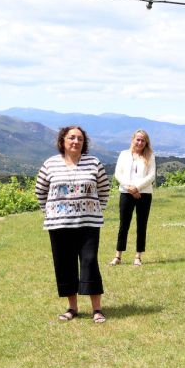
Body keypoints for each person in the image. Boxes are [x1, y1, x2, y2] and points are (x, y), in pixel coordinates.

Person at [34, 126, 110, 323]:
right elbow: (40, 191)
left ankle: (97, 309)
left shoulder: (94, 163)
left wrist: (94, 209)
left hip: (88, 223)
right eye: (71, 138)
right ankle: (72, 308)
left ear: (84, 143)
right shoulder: (49, 164)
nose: (75, 142)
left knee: (90, 261)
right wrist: (52, 212)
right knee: (64, 264)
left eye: (80, 139)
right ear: (63, 141)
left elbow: (104, 189)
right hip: (59, 225)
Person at [109, 129, 156, 267]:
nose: (140, 142)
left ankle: (138, 256)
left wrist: (137, 188)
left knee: (141, 225)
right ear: (133, 139)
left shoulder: (150, 155)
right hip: (125, 192)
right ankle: (118, 256)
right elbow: (118, 174)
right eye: (138, 139)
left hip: (144, 194)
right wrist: (129, 187)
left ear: (146, 142)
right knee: (124, 225)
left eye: (143, 140)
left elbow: (151, 176)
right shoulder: (123, 154)